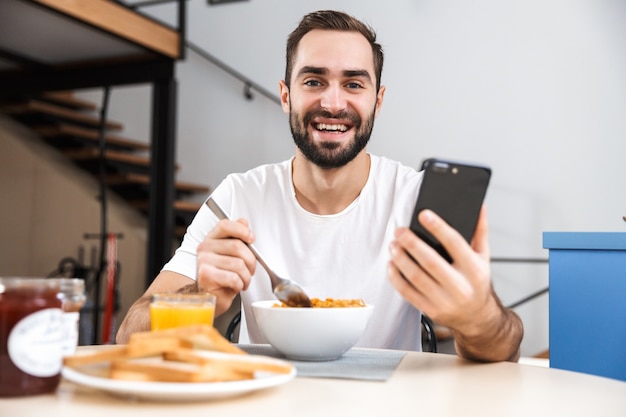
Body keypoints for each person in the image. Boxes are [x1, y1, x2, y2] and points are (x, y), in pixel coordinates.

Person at [116, 9, 523, 362]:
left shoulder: (416, 202)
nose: (333, 103)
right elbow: (129, 337)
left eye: (353, 83)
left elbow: (504, 348)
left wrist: (478, 317)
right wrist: (199, 295)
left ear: (377, 101)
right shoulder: (237, 196)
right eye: (313, 81)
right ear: (285, 95)